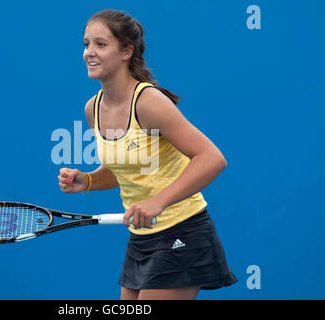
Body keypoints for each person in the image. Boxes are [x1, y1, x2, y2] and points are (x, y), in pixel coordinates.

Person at [58, 9, 237, 300]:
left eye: (100, 44)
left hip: (183, 231)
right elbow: (127, 168)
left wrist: (157, 202)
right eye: (86, 44)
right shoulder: (93, 108)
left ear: (126, 51)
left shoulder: (150, 102)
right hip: (141, 237)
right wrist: (88, 180)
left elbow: (212, 158)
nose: (89, 52)